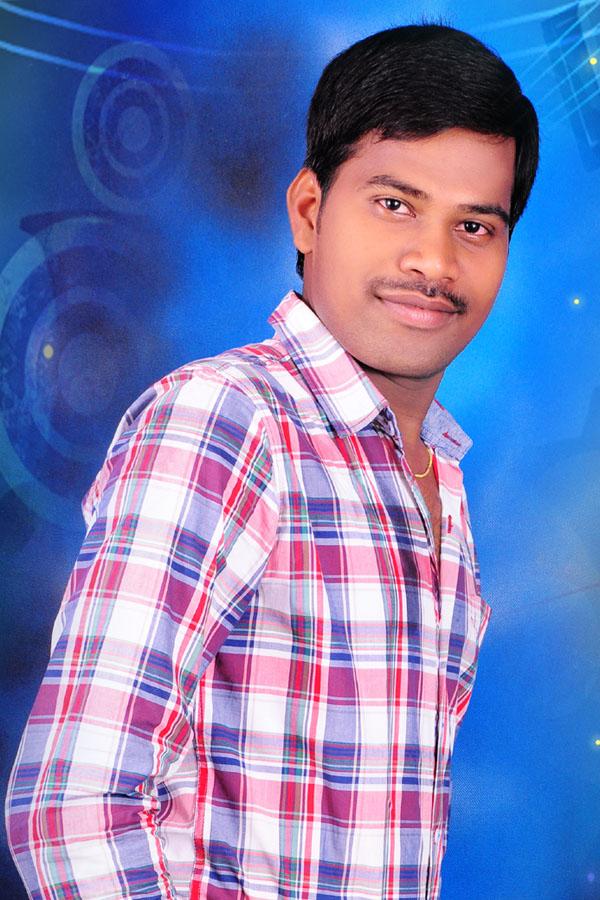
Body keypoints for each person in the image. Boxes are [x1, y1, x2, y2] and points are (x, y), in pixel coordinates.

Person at [6, 22, 539, 900]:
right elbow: (74, 811)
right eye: (395, 204)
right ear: (309, 211)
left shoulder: (435, 471)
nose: (433, 261)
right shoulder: (227, 421)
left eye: (475, 224)